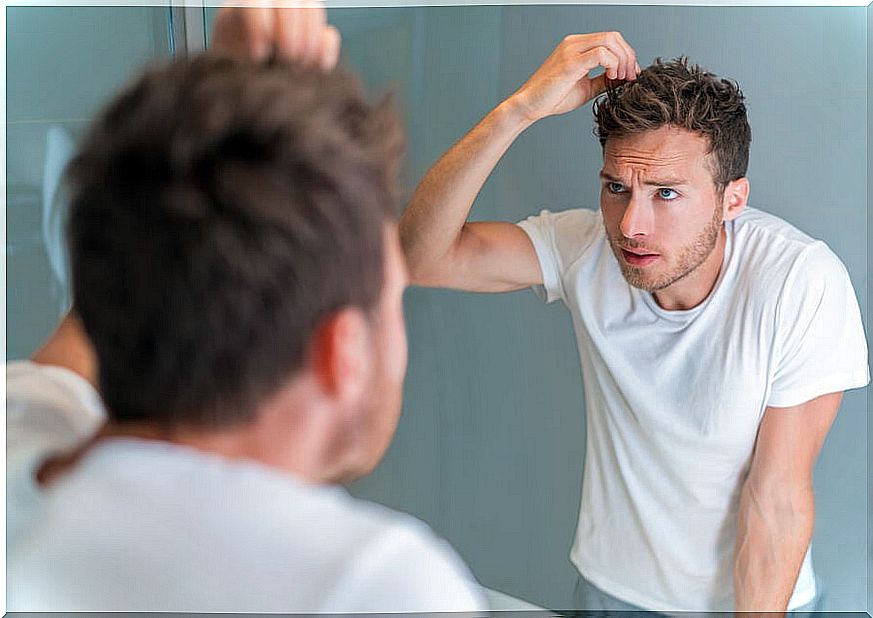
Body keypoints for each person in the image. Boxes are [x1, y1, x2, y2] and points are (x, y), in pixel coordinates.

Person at [6, 5, 487, 613]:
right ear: (344, 352)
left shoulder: (18, 443)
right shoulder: (370, 585)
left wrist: (218, 105)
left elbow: (130, 284)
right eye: (390, 297)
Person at [399, 33, 869, 613]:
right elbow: (420, 256)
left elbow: (776, 497)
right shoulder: (583, 247)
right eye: (616, 188)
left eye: (666, 193)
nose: (631, 226)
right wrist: (519, 109)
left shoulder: (800, 281)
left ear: (732, 200)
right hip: (609, 596)